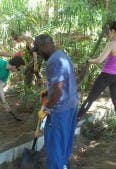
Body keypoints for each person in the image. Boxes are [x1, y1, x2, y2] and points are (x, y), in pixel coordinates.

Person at [32, 34, 79, 169]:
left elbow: (58, 91)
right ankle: (63, 165)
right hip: (71, 104)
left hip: (60, 110)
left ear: (45, 46)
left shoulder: (53, 61)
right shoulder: (62, 55)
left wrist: (46, 108)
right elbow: (64, 81)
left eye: (39, 50)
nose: (39, 54)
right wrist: (48, 92)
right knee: (65, 140)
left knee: (54, 144)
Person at [77, 21, 116, 136]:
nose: (108, 33)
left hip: (106, 75)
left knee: (90, 98)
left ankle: (76, 119)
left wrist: (88, 60)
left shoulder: (111, 44)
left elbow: (99, 60)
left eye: (109, 31)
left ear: (113, 31)